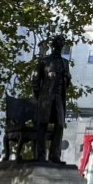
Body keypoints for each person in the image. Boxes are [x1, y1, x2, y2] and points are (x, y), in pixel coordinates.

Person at [33, 35, 71, 164]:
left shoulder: (65, 63)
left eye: (62, 43)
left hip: (59, 97)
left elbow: (68, 81)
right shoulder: (44, 61)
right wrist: (40, 98)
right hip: (46, 98)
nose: (60, 45)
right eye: (58, 42)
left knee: (59, 125)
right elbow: (36, 81)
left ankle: (55, 155)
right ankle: (40, 155)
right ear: (54, 45)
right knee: (42, 124)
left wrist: (66, 78)